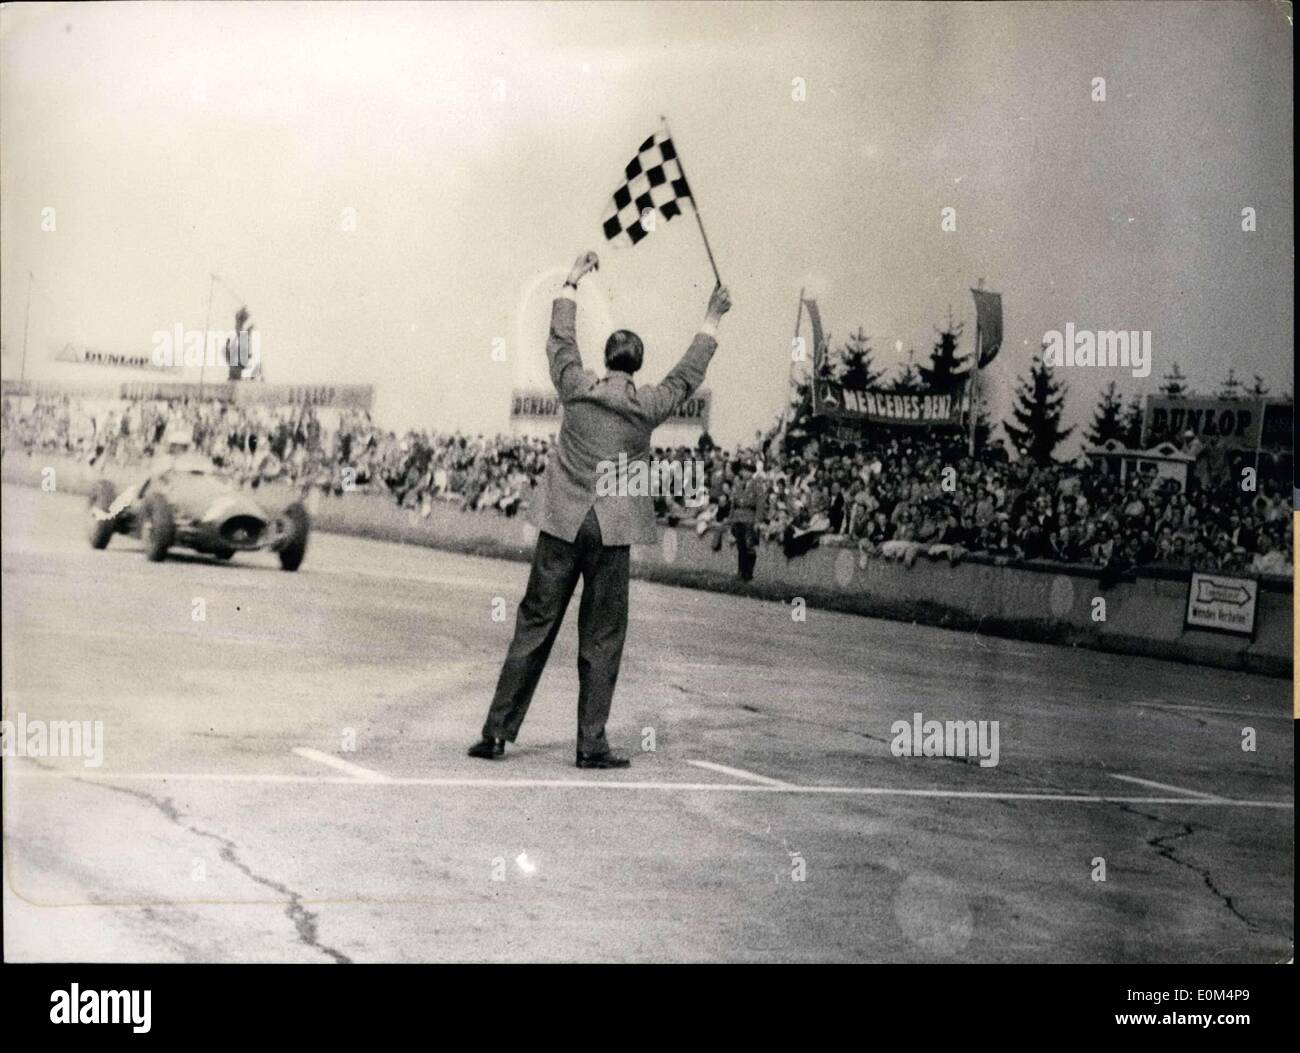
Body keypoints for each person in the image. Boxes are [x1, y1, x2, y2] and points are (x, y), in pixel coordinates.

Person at [468, 251, 732, 768]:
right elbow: (686, 376)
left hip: (562, 522)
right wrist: (712, 317)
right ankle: (590, 744)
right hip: (613, 531)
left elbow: (560, 343)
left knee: (534, 624)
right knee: (603, 637)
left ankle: (497, 733)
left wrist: (570, 281)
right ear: (636, 365)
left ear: (607, 360)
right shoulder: (648, 405)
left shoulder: (576, 388)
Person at [730, 459, 766, 579]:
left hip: (750, 518)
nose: (743, 473)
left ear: (751, 472)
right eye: (743, 470)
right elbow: (733, 502)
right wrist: (732, 518)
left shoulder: (757, 484)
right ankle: (741, 571)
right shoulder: (738, 483)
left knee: (749, 545)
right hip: (739, 517)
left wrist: (757, 520)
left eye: (746, 470)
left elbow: (760, 503)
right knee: (740, 546)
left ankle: (748, 572)